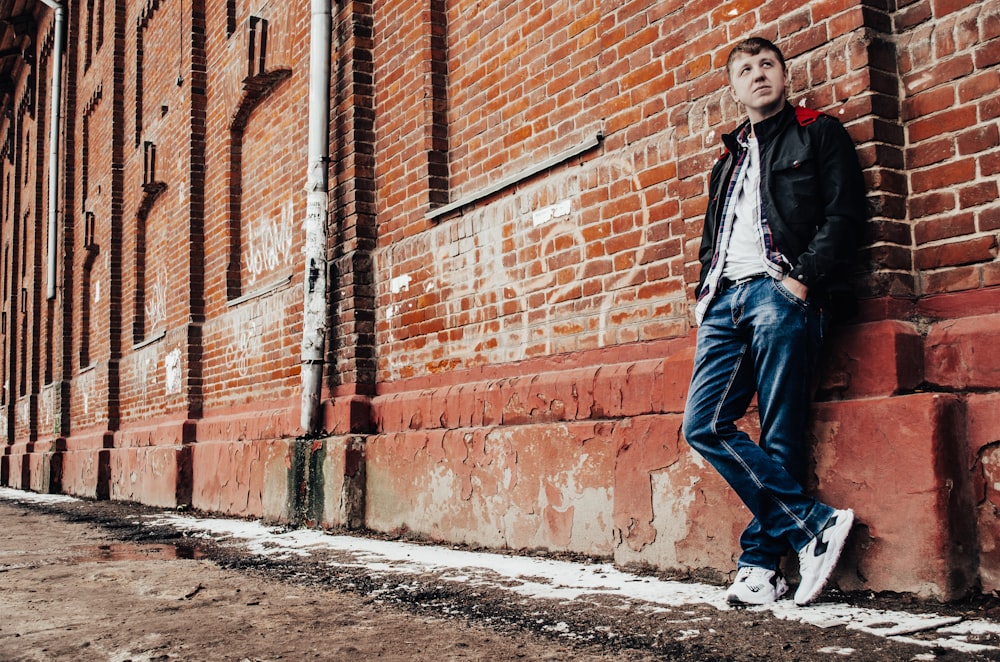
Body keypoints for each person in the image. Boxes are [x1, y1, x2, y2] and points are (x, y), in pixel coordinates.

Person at [682, 37, 867, 607]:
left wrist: (799, 281)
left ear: (783, 77)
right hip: (724, 300)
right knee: (703, 425)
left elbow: (845, 213)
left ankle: (761, 568)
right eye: (745, 69)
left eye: (767, 65)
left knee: (780, 429)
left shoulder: (818, 133)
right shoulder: (727, 160)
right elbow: (715, 237)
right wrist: (704, 293)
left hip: (781, 291)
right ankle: (812, 524)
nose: (757, 74)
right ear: (734, 89)